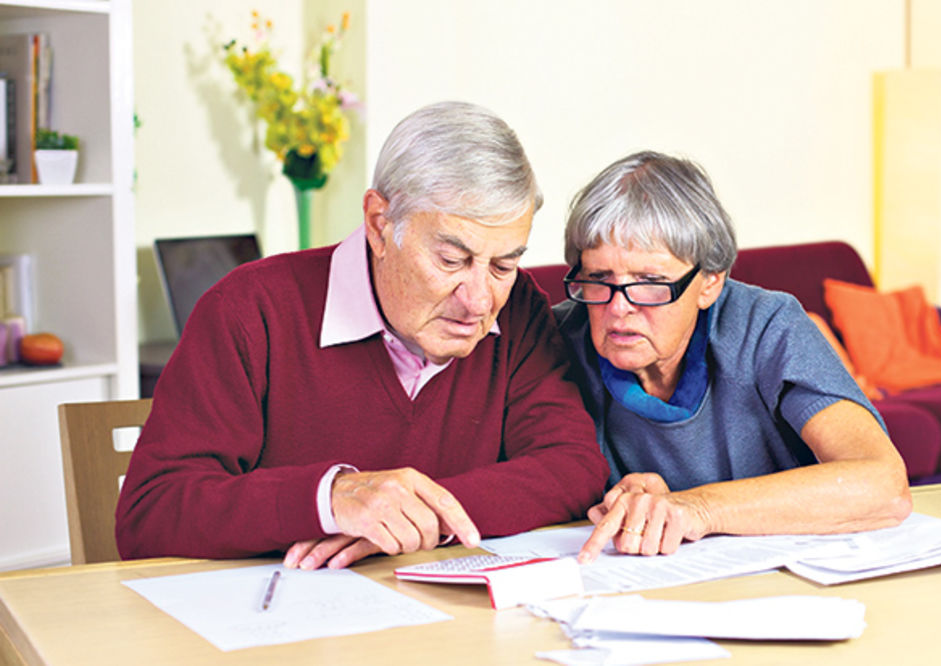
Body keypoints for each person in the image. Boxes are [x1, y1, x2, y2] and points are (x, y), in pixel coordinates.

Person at [115, 101, 609, 569]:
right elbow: (151, 511)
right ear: (379, 223)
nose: (479, 300)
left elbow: (571, 466)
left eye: (503, 263)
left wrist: (414, 515)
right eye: (451, 260)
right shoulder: (249, 310)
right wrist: (328, 499)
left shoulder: (520, 307)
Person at [551, 151, 912, 564]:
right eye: (598, 279)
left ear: (709, 283)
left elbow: (882, 485)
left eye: (650, 282)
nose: (618, 308)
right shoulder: (559, 336)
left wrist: (696, 508)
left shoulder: (767, 326)